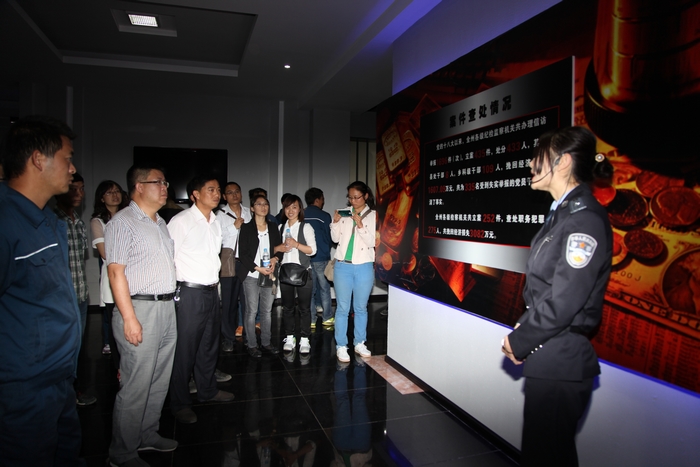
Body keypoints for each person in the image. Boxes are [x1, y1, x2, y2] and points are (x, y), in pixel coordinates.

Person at [501, 126, 613, 467]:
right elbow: (546, 290)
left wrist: (520, 341)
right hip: (550, 356)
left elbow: (565, 301)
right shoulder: (563, 214)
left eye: (538, 157)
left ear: (562, 162)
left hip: (561, 360)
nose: (530, 164)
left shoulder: (584, 221)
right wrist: (525, 331)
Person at [0, 115, 84, 465]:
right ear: (38, 159)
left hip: (58, 377)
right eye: (67, 158)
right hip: (24, 386)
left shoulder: (49, 219)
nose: (73, 168)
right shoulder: (7, 221)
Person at [105, 164, 179, 466]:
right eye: (158, 182)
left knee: (159, 380)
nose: (164, 187)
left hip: (166, 307)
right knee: (136, 384)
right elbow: (115, 272)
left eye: (165, 182)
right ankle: (121, 452)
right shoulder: (122, 222)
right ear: (138, 186)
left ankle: (147, 434)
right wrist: (129, 318)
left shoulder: (160, 223)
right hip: (139, 309)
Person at [168, 175, 234, 425]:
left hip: (211, 290)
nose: (217, 194)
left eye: (218, 190)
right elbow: (169, 258)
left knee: (209, 345)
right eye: (211, 189)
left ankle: (207, 390)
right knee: (185, 350)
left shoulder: (215, 222)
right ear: (195, 194)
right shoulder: (181, 221)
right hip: (189, 292)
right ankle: (180, 402)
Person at [54, 172, 97, 406]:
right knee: (61, 349)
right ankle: (62, 397)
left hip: (80, 295)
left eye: (81, 189)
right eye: (73, 189)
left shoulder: (78, 221)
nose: (79, 194)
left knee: (77, 348)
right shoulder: (52, 219)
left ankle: (73, 392)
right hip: (60, 298)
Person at [331, 181, 377, 363]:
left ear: (365, 196)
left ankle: (359, 342)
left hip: (364, 265)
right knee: (342, 308)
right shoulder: (344, 213)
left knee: (361, 308)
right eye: (350, 197)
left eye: (357, 197)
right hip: (343, 266)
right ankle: (341, 345)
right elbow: (335, 239)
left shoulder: (374, 216)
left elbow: (373, 242)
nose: (353, 201)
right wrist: (335, 223)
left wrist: (360, 226)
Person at [239, 194, 282, 358]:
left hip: (269, 274)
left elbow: (279, 249)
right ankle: (251, 344)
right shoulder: (246, 228)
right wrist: (258, 268)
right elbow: (243, 254)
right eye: (259, 204)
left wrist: (275, 259)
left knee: (267, 311)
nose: (263, 207)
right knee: (251, 311)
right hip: (252, 273)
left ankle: (266, 342)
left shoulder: (273, 227)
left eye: (265, 204)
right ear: (252, 208)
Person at [91, 180, 129, 359]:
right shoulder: (98, 221)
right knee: (114, 320)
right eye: (109, 192)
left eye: (117, 191)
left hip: (133, 276)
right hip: (113, 276)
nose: (115, 195)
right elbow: (105, 253)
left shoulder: (129, 217)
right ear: (101, 198)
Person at [277, 194, 317, 355]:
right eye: (287, 207)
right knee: (287, 308)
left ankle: (305, 339)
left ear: (300, 209)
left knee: (304, 308)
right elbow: (274, 250)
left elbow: (312, 250)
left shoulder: (306, 227)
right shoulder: (280, 228)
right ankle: (289, 337)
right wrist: (279, 248)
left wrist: (296, 244)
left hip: (303, 272)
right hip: (285, 272)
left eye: (294, 207)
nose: (290, 210)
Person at [217, 181, 251, 350]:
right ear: (224, 196)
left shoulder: (249, 212)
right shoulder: (220, 215)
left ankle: (249, 337)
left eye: (237, 191)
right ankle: (228, 338)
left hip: (246, 263)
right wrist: (234, 227)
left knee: (248, 302)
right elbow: (217, 237)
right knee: (229, 303)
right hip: (229, 262)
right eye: (230, 192)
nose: (234, 195)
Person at [304, 187, 334, 326]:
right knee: (324, 289)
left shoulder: (301, 214)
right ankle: (327, 318)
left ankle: (311, 320)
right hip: (321, 257)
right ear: (317, 200)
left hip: (306, 258)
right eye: (322, 199)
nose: (323, 201)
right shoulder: (324, 216)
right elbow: (330, 237)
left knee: (309, 290)